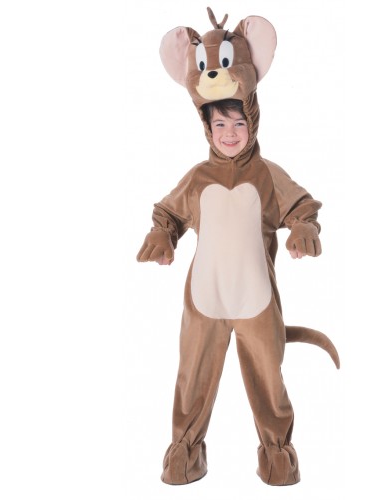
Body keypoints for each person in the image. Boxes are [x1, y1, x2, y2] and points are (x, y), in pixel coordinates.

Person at [137, 97, 324, 485]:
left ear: (252, 124)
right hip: (204, 299)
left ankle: (277, 456)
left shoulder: (268, 174)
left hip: (257, 300)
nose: (230, 133)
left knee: (268, 378)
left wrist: (303, 228)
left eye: (238, 123)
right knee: (192, 376)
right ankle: (184, 455)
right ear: (208, 129)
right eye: (220, 125)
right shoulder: (198, 178)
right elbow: (168, 213)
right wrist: (162, 236)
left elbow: (301, 206)